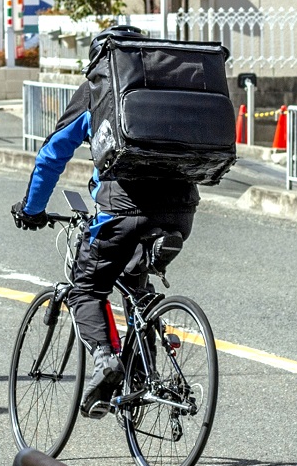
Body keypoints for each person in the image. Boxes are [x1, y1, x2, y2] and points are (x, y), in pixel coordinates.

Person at [10, 25, 200, 420]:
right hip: (182, 209)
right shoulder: (169, 86)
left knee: (85, 288)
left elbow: (52, 154)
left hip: (124, 207)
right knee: (136, 284)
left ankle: (105, 361)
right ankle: (150, 376)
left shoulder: (101, 87)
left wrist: (31, 208)